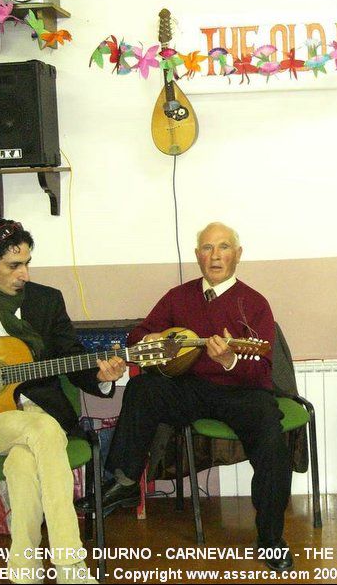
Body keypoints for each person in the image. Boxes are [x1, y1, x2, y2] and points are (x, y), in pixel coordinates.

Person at [77, 222, 294, 571]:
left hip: (242, 391)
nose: (215, 255)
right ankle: (126, 479)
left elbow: (263, 369)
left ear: (238, 254)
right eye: (207, 248)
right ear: (198, 256)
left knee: (271, 442)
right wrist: (148, 340)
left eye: (224, 247)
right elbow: (141, 332)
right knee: (144, 389)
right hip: (191, 388)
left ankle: (271, 539)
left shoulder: (254, 304)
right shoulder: (179, 297)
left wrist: (229, 359)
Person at [0, 218, 125, 585]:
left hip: (41, 412)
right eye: (14, 266)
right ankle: (69, 566)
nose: (25, 274)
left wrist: (101, 376)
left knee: (23, 463)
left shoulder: (46, 301)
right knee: (44, 431)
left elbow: (72, 356)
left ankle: (24, 571)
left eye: (27, 262)